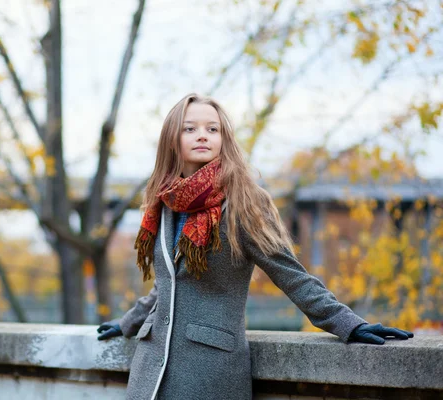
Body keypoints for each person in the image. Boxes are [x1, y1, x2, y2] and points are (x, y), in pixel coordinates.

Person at [96, 93, 413, 400]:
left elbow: (289, 273)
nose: (202, 136)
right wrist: (129, 322)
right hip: (150, 371)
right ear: (171, 139)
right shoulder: (164, 204)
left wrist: (347, 323)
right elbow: (170, 284)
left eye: (213, 129)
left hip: (209, 371)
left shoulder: (245, 202)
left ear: (224, 138)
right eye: (189, 128)